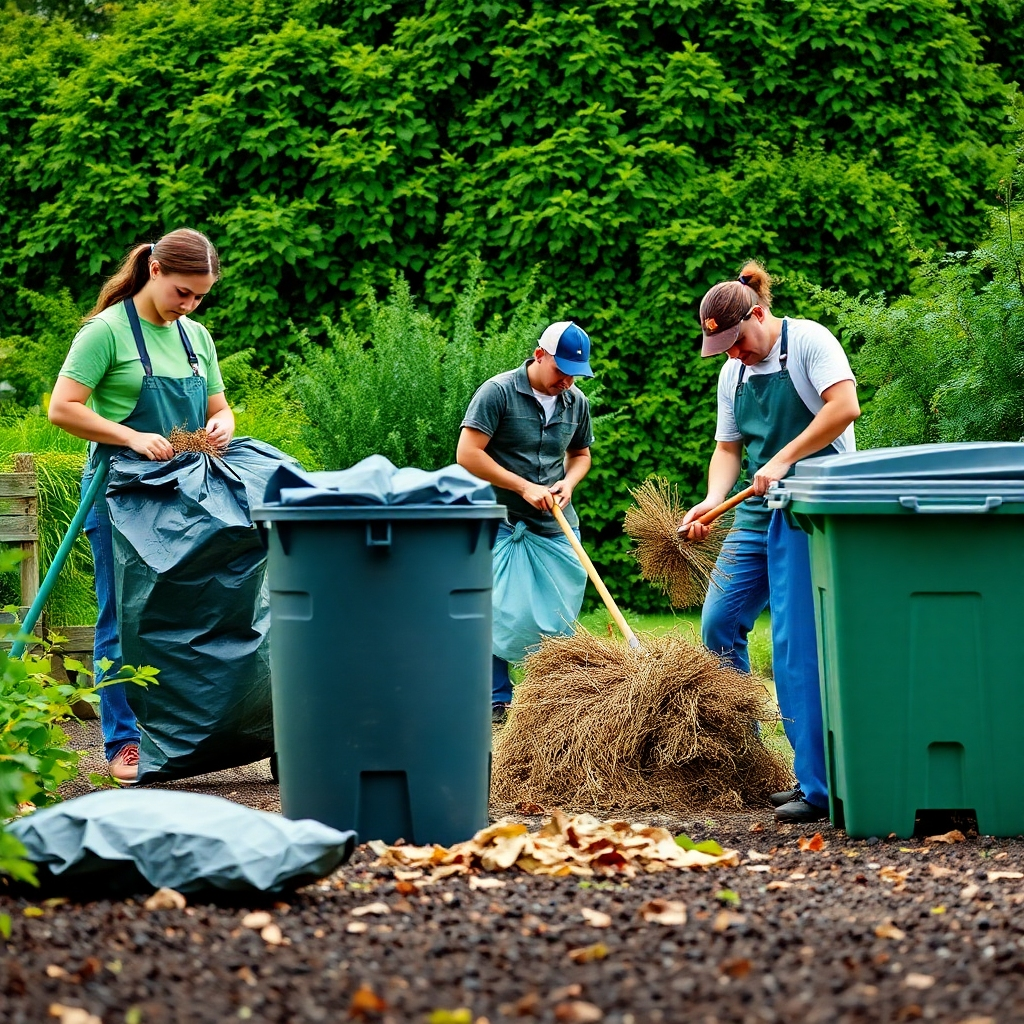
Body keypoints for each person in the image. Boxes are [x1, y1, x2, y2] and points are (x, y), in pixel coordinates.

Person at [48, 228, 234, 783]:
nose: (190, 305)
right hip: (121, 492)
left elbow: (220, 408)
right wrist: (128, 436)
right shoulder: (105, 333)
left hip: (186, 492)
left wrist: (221, 424)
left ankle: (191, 735)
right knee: (122, 618)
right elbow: (63, 407)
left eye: (200, 296)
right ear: (154, 270)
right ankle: (125, 743)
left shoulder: (195, 336)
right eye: (183, 292)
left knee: (193, 615)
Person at [679, 261, 860, 824]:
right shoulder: (733, 375)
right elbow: (728, 448)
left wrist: (785, 458)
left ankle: (818, 785)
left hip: (813, 505)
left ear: (758, 315)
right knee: (718, 622)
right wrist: (713, 500)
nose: (735, 354)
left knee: (795, 643)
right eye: (724, 348)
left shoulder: (809, 342)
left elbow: (843, 407)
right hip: (757, 510)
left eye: (738, 342)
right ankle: (750, 756)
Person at [457, 322, 596, 724]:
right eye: (561, 370)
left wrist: (567, 483)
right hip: (500, 519)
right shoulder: (497, 392)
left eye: (575, 373)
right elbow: (468, 453)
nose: (567, 381)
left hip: (555, 524)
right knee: (496, 608)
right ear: (539, 356)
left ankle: (551, 698)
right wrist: (522, 487)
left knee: (558, 611)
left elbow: (581, 455)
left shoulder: (576, 402)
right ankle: (497, 698)